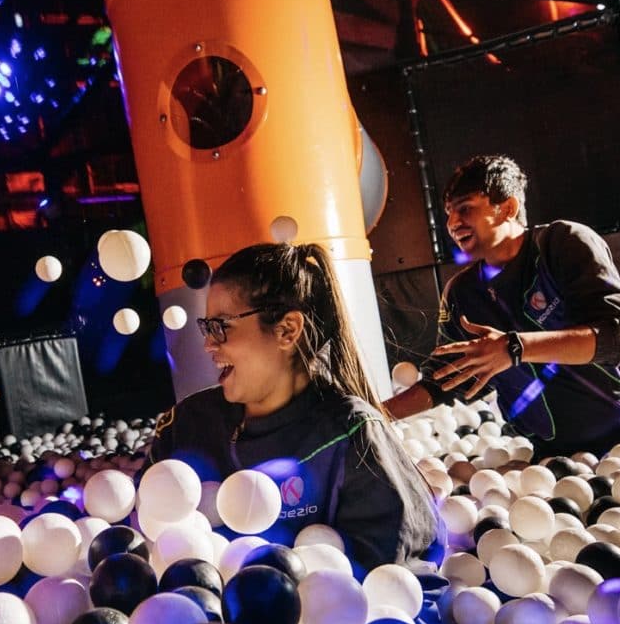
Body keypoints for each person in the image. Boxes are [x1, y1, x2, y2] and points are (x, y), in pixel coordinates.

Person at [147, 242, 438, 568]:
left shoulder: (352, 435)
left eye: (221, 326)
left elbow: (394, 576)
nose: (207, 344)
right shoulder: (186, 425)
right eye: (206, 327)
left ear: (287, 330)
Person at [384, 154, 620, 454]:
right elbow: (444, 380)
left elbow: (615, 337)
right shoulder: (461, 294)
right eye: (448, 214)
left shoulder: (561, 244)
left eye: (465, 209)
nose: (452, 223)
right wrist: (377, 415)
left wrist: (514, 348)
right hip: (555, 463)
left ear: (508, 208)